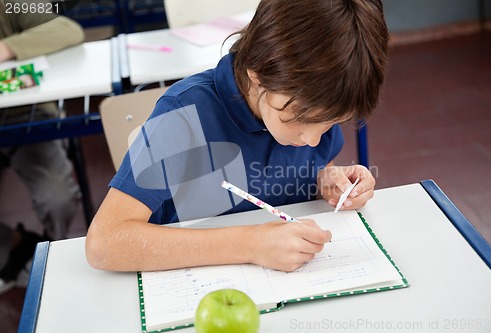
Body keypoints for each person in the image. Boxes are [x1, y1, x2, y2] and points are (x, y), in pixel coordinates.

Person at [86, 0, 389, 273]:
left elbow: (307, 167)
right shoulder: (183, 115)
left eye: (331, 124)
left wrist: (328, 180)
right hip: (196, 287)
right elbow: (105, 243)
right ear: (257, 71)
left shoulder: (313, 100)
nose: (313, 139)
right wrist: (251, 244)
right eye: (302, 119)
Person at [0, 0, 85, 292]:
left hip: (24, 115)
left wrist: (7, 48)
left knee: (57, 197)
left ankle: (56, 254)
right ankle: (16, 244)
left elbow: (65, 29)